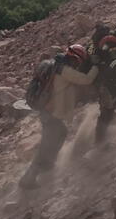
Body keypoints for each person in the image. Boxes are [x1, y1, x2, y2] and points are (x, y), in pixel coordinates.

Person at [19, 44, 98, 189]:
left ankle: (48, 166)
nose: (78, 64)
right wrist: (96, 67)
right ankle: (27, 179)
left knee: (61, 134)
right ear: (74, 59)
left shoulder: (55, 66)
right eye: (78, 61)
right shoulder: (64, 71)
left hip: (48, 112)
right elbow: (86, 79)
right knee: (46, 146)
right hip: (51, 114)